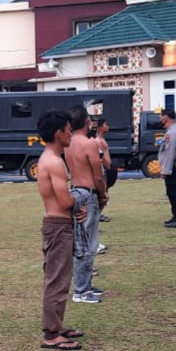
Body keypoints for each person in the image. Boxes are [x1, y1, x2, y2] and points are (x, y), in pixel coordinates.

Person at [36, 111, 85, 351]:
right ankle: (51, 334)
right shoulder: (53, 162)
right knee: (56, 279)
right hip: (57, 226)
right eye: (68, 130)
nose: (70, 134)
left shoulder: (51, 158)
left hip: (59, 223)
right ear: (58, 133)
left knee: (61, 278)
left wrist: (76, 209)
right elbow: (65, 201)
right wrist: (79, 201)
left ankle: (57, 325)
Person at [65, 106, 107, 304]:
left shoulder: (67, 143)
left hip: (75, 190)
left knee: (82, 240)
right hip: (88, 192)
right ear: (86, 121)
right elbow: (98, 175)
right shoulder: (89, 144)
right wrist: (103, 194)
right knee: (88, 243)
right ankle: (81, 290)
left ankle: (85, 285)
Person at [95, 118, 114, 224]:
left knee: (105, 192)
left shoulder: (102, 140)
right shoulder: (98, 141)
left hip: (106, 168)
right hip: (103, 168)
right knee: (102, 194)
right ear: (100, 127)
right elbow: (100, 156)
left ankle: (99, 214)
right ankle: (97, 214)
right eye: (106, 124)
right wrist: (106, 166)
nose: (108, 126)